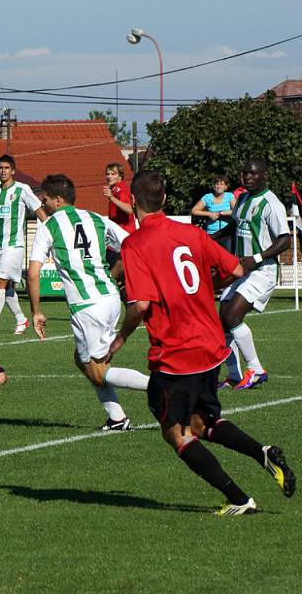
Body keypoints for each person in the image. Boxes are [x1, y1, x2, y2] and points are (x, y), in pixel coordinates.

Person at [107, 169, 295, 515]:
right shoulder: (190, 233)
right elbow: (237, 270)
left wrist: (119, 339)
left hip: (176, 352)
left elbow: (141, 306)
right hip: (211, 348)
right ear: (164, 200)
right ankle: (263, 452)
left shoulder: (135, 244)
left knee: (176, 433)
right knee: (202, 423)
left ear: (132, 202)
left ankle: (240, 499)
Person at [27, 174, 149, 431]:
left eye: (45, 199)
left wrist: (37, 311)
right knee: (83, 359)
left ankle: (163, 385)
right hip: (110, 298)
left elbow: (34, 272)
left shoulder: (49, 225)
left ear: (58, 200)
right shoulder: (97, 219)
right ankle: (117, 418)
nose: (43, 204)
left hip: (87, 305)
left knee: (97, 371)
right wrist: (115, 274)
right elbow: (131, 245)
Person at [216, 159, 290, 390]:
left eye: (253, 173)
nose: (247, 177)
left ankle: (256, 370)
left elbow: (285, 239)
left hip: (262, 270)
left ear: (264, 176)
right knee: (222, 321)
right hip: (242, 269)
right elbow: (235, 225)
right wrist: (209, 238)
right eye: (245, 173)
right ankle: (236, 375)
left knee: (231, 317)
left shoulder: (271, 203)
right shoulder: (243, 199)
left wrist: (256, 258)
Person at [0, 154, 47, 336]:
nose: (3, 171)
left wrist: (51, 232)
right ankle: (21, 320)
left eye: (6, 168)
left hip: (14, 246)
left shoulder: (22, 190)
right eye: (0, 168)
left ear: (13, 171)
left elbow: (39, 210)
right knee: (6, 288)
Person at [191, 175, 235, 250]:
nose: (219, 186)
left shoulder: (230, 196)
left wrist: (221, 213)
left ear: (226, 187)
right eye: (217, 184)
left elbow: (236, 211)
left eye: (222, 184)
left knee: (227, 259)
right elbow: (194, 211)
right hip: (211, 234)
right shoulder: (207, 197)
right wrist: (209, 214)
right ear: (214, 186)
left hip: (227, 234)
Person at [102, 162, 136, 234]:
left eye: (113, 174)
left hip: (124, 233)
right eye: (107, 174)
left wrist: (112, 198)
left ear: (120, 176)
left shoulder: (121, 189)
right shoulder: (115, 189)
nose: (109, 176)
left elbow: (129, 209)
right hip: (119, 232)